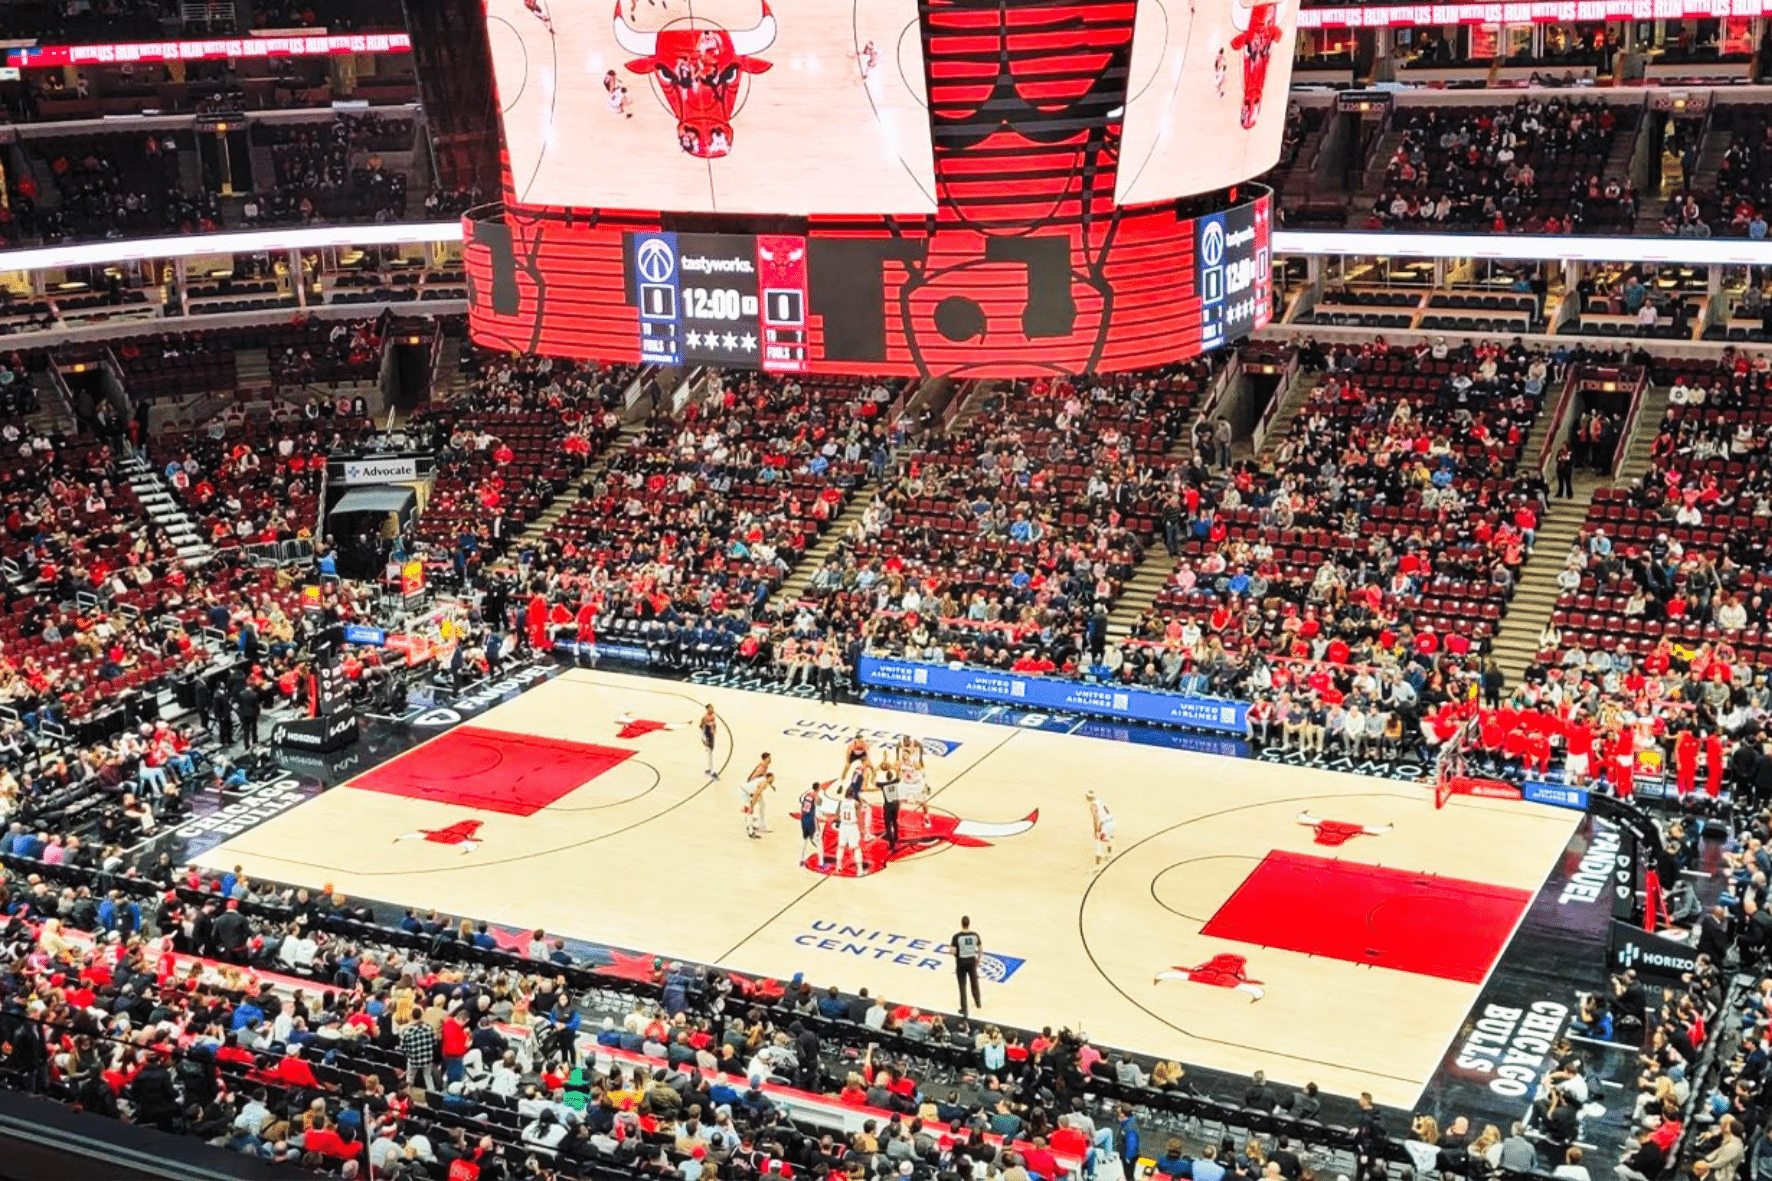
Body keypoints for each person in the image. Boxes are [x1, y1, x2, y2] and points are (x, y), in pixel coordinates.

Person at [952, 916, 983, 1015]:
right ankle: (978, 1003)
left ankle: (964, 1008)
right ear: (969, 923)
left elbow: (952, 951)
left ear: (962, 924)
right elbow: (980, 949)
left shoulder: (957, 936)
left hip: (961, 961)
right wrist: (978, 959)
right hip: (971, 961)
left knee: (962, 985)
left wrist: (956, 955)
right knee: (974, 983)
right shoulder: (975, 935)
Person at [835, 789, 865, 876]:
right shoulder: (856, 803)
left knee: (841, 847)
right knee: (856, 848)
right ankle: (859, 870)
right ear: (853, 794)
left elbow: (837, 814)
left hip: (843, 826)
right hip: (852, 826)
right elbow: (859, 816)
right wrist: (862, 830)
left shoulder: (841, 802)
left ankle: (838, 867)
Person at [1087, 789, 1116, 870]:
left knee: (1098, 842)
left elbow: (1095, 819)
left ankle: (1097, 866)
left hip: (1106, 823)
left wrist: (1096, 831)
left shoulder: (1093, 806)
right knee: (1107, 838)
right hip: (1111, 821)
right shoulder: (1099, 801)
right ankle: (1109, 855)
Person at [745, 773, 775, 839]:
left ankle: (759, 825)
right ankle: (751, 831)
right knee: (750, 812)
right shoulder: (764, 782)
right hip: (748, 793)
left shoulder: (763, 779)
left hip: (748, 791)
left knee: (762, 804)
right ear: (769, 777)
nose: (773, 780)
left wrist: (772, 786)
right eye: (772, 778)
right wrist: (753, 804)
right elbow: (757, 792)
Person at [700, 704, 719, 779]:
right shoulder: (705, 717)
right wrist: (703, 738)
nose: (712, 709)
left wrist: (714, 731)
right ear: (707, 709)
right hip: (708, 735)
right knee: (710, 753)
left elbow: (714, 725)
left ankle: (709, 769)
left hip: (711, 735)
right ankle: (713, 770)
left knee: (710, 752)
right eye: (710, 708)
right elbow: (702, 727)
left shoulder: (713, 716)